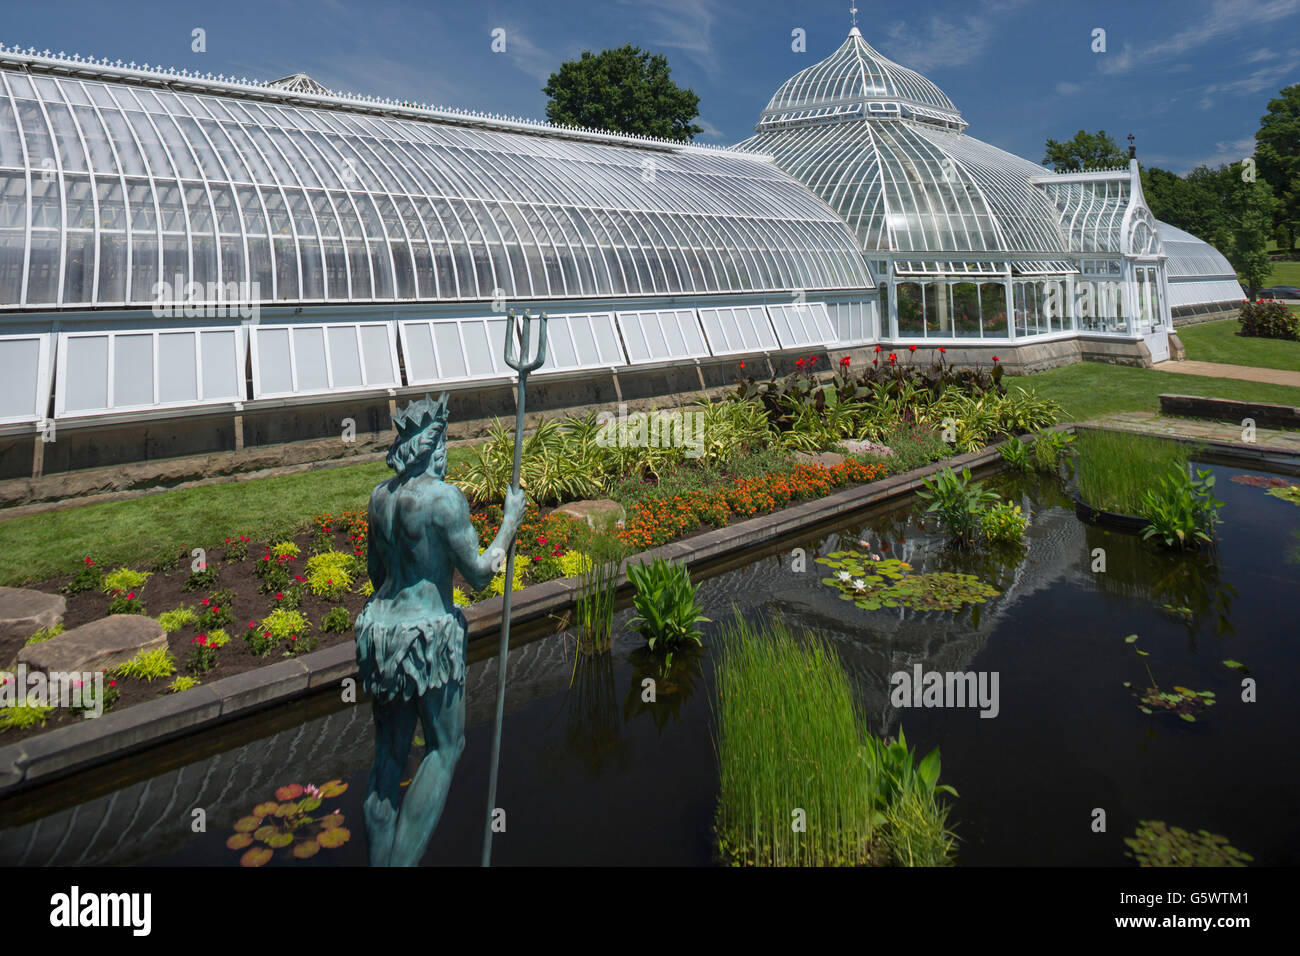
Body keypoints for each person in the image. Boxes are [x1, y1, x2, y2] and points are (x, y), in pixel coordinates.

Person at [355, 393, 526, 866]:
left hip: (380, 634)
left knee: (388, 757)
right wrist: (508, 523)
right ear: (433, 445)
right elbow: (478, 573)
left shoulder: (379, 498)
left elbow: (375, 573)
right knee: (446, 747)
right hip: (427, 638)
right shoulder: (444, 500)